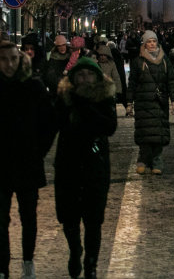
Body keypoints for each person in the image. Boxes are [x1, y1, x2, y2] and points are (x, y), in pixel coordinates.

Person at [0, 40, 57, 279]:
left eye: (13, 59)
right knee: (0, 221)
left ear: (20, 60)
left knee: (29, 217)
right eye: (4, 59)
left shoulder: (34, 86)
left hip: (28, 160)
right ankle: (2, 270)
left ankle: (28, 262)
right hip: (1, 163)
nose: (9, 64)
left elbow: (49, 122)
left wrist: (39, 151)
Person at [53, 57, 117, 279]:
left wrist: (85, 106)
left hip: (95, 165)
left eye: (89, 74)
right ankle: (75, 250)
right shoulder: (64, 97)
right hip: (68, 164)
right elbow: (54, 124)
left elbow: (110, 127)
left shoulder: (104, 96)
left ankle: (91, 264)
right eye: (80, 75)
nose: (85, 79)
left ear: (97, 77)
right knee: (69, 217)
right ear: (72, 78)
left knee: (93, 220)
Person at [126, 31, 174, 175]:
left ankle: (157, 160)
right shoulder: (138, 62)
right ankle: (143, 159)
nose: (151, 44)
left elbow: (171, 82)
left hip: (160, 101)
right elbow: (132, 83)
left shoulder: (165, 60)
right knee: (145, 133)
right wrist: (129, 102)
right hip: (143, 102)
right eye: (149, 41)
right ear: (144, 44)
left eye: (154, 41)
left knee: (158, 133)